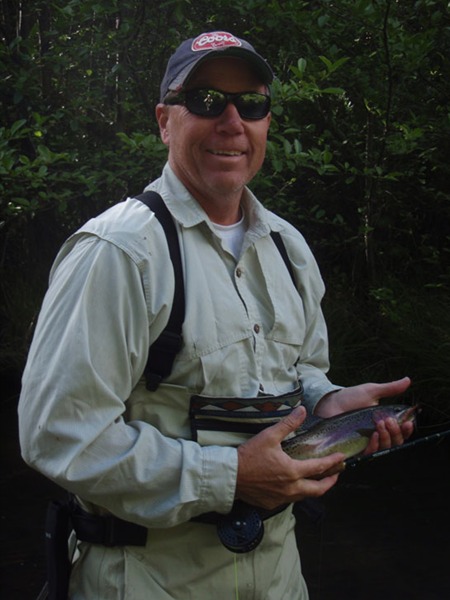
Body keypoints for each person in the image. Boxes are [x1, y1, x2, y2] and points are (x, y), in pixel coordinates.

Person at [18, 31, 413, 600]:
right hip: (145, 577)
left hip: (279, 574)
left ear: (267, 124)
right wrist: (228, 478)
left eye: (251, 104)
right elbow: (56, 436)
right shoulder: (119, 252)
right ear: (164, 120)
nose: (232, 121)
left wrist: (326, 403)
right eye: (206, 101)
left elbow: (301, 370)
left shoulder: (289, 248)